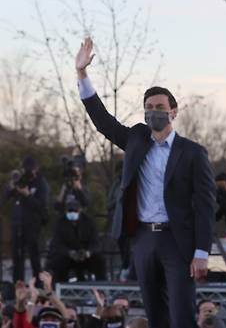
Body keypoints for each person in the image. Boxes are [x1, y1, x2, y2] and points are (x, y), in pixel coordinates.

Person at [75, 37, 216, 327]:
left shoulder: (192, 153)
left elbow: (205, 205)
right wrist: (82, 74)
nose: (154, 111)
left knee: (181, 314)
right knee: (154, 313)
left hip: (177, 242)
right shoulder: (136, 140)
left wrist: (202, 251)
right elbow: (103, 121)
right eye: (149, 106)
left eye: (160, 106)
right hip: (142, 239)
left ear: (173, 112)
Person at [5, 158, 49, 282]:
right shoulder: (22, 180)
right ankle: (18, 286)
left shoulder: (41, 183)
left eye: (31, 169)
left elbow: (41, 206)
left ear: (36, 169)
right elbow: (6, 198)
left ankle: (38, 287)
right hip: (18, 224)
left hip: (33, 226)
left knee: (35, 257)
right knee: (17, 257)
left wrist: (28, 195)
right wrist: (11, 186)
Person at [46, 199, 106, 284]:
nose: (72, 213)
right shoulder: (60, 222)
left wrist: (88, 252)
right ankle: (60, 289)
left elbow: (96, 243)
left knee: (100, 261)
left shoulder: (88, 221)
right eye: (70, 211)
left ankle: (102, 288)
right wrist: (70, 253)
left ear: (79, 210)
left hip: (86, 256)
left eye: (74, 211)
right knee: (57, 263)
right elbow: (57, 244)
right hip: (67, 256)